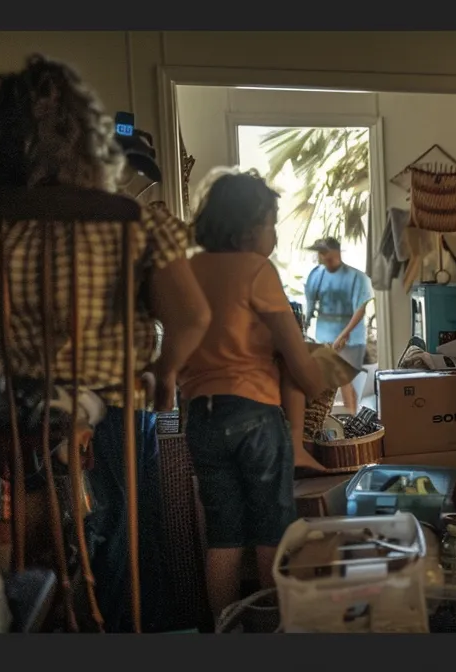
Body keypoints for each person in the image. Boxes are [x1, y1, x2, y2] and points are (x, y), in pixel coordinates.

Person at [0, 55, 211, 632]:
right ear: (90, 143)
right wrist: (164, 374)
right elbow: (191, 316)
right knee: (125, 536)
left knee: (43, 546)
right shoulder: (129, 220)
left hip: (13, 414)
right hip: (112, 405)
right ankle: (129, 630)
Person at [182, 170, 327, 623]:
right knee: (271, 530)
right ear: (247, 227)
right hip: (254, 414)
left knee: (224, 538)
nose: (276, 234)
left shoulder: (187, 269)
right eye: (271, 223)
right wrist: (320, 383)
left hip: (201, 418)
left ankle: (223, 631)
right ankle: (276, 629)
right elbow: (295, 352)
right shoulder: (256, 270)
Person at [302, 237, 373, 410]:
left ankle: (352, 417)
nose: (323, 256)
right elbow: (310, 304)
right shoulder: (316, 275)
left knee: (346, 381)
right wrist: (304, 324)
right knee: (327, 382)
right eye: (321, 253)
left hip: (351, 339)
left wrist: (345, 333)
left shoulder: (357, 277)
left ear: (337, 252)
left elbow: (360, 308)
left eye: (326, 252)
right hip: (324, 336)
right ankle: (329, 418)